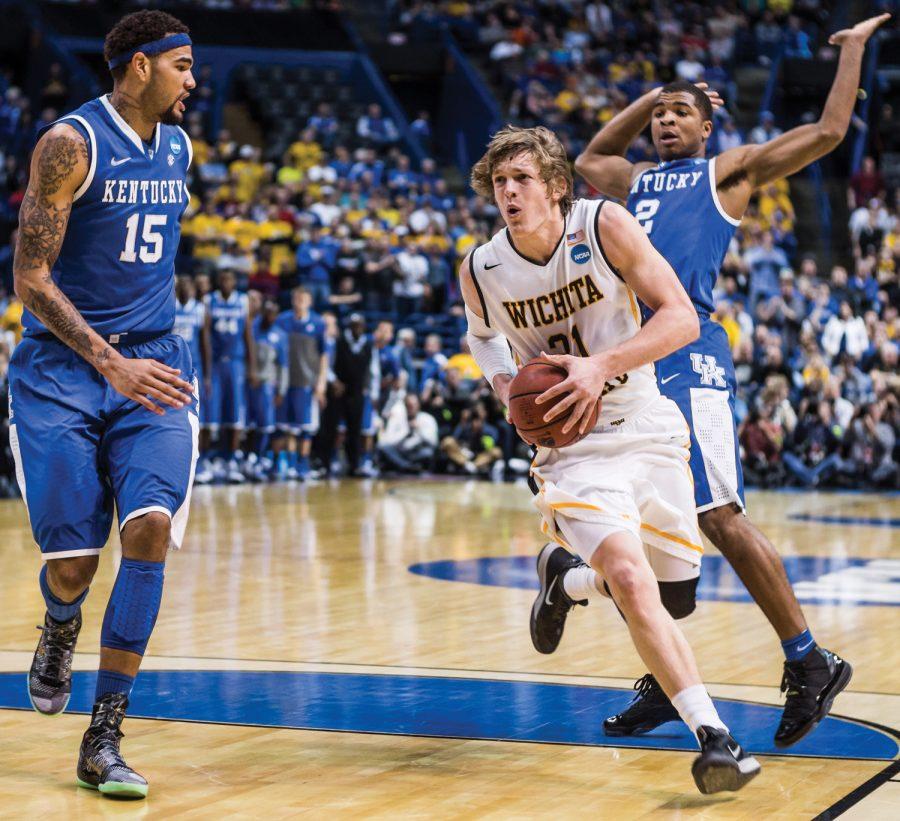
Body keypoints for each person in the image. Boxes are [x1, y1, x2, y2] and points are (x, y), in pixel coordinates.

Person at [555, 12, 890, 749]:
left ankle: (810, 661)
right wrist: (648, 98)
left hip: (690, 354)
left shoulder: (727, 171)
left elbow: (831, 132)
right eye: (661, 112)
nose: (668, 120)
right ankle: (667, 678)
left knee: (718, 515)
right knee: (656, 535)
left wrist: (854, 51)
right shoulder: (634, 178)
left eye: (682, 111)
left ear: (708, 128)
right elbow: (588, 157)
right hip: (634, 358)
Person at [463, 125, 760, 794]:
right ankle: (716, 738)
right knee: (629, 578)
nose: (509, 192)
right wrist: (509, 394)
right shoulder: (481, 268)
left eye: (523, 179)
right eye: (500, 182)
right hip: (573, 449)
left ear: (558, 187)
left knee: (674, 593)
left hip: (647, 422)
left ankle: (564, 580)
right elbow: (483, 340)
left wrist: (601, 366)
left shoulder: (606, 226)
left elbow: (682, 318)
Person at [10, 10, 197, 797]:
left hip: (154, 367)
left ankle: (104, 735)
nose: (193, 81)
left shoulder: (181, 146)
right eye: (182, 66)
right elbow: (30, 277)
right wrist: (107, 359)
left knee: (150, 529)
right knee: (75, 563)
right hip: (63, 372)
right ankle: (60, 622)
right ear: (138, 66)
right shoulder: (70, 144)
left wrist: (137, 357)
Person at [204, 268, 255, 483]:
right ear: (218, 281)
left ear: (235, 282)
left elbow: (248, 335)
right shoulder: (209, 301)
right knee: (211, 413)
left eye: (229, 279)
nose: (226, 282)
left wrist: (252, 367)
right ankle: (207, 460)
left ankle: (231, 459)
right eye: (223, 278)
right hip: (215, 363)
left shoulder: (243, 301)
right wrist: (206, 370)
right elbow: (205, 335)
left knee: (234, 413)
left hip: (235, 363)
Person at [275, 286, 328, 480]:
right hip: (286, 381)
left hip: (307, 382)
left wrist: (321, 382)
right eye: (296, 298)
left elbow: (324, 356)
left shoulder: (318, 323)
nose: (299, 301)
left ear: (310, 301)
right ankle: (290, 463)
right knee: (288, 426)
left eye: (303, 299)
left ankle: (303, 465)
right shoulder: (282, 321)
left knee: (306, 427)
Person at [247, 299, 288, 480]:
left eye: (273, 314)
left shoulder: (280, 335)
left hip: (266, 384)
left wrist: (281, 390)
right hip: (247, 382)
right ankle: (244, 459)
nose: (270, 317)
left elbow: (283, 366)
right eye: (267, 313)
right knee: (245, 423)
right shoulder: (251, 329)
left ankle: (260, 458)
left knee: (266, 425)